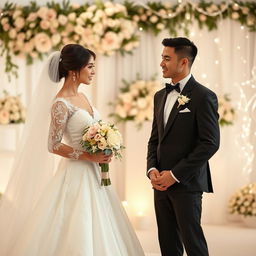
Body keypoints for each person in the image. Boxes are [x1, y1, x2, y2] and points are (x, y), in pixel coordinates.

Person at [0, 44, 145, 256]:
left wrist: (106, 146)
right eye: (90, 67)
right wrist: (88, 155)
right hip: (75, 173)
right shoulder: (60, 103)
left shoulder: (84, 97)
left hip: (95, 173)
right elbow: (53, 144)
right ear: (73, 70)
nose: (94, 71)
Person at [147, 37, 220, 256]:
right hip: (159, 183)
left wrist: (175, 174)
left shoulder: (204, 96)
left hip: (187, 184)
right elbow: (154, 139)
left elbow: (210, 143)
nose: (162, 63)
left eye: (167, 58)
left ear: (183, 62)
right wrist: (152, 171)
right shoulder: (160, 96)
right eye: (162, 58)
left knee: (193, 244)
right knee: (168, 244)